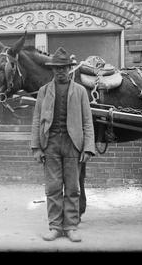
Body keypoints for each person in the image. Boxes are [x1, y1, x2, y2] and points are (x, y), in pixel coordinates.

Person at [30, 47, 95, 243]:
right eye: (57, 68)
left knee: (73, 188)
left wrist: (88, 147)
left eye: (64, 68)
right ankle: (55, 226)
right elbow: (36, 120)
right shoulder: (44, 91)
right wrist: (36, 147)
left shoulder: (80, 91)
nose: (60, 71)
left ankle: (71, 226)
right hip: (50, 143)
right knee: (53, 187)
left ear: (70, 69)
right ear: (52, 70)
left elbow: (87, 121)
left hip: (73, 144)